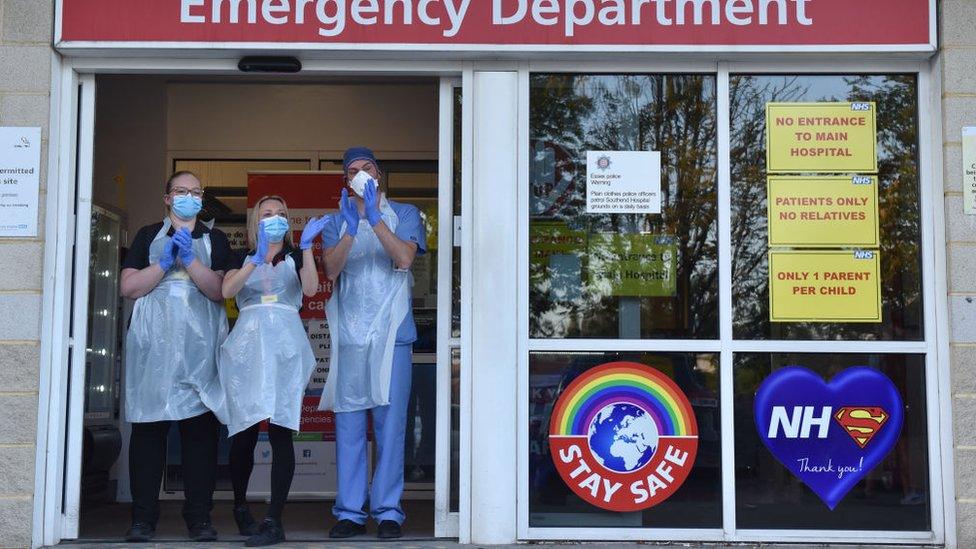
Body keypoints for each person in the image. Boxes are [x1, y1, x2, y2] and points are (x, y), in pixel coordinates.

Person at [318, 147, 426, 539]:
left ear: (380, 176)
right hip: (350, 338)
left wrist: (377, 220)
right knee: (348, 424)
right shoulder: (336, 220)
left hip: (393, 337)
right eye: (352, 171)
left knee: (390, 427)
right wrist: (350, 228)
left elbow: (403, 258)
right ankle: (349, 511)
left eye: (367, 169)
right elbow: (331, 269)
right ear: (346, 181)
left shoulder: (407, 214)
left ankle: (387, 511)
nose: (360, 175)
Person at [119, 170, 232, 542]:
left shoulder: (214, 238)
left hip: (199, 353)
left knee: (200, 437)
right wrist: (164, 263)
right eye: (181, 191)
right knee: (149, 434)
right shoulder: (148, 235)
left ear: (202, 199)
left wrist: (192, 261)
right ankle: (143, 519)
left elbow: (219, 291)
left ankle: (199, 518)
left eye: (195, 192)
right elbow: (129, 287)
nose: (189, 197)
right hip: (153, 353)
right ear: (167, 198)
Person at [213, 196, 324, 546]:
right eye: (267, 215)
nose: (274, 219)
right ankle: (241, 507)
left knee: (280, 429)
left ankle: (274, 520)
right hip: (247, 347)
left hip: (285, 347)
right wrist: (256, 259)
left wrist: (306, 247)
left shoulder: (294, 256)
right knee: (244, 430)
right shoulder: (239, 256)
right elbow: (227, 290)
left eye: (280, 214)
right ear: (254, 222)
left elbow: (309, 289)